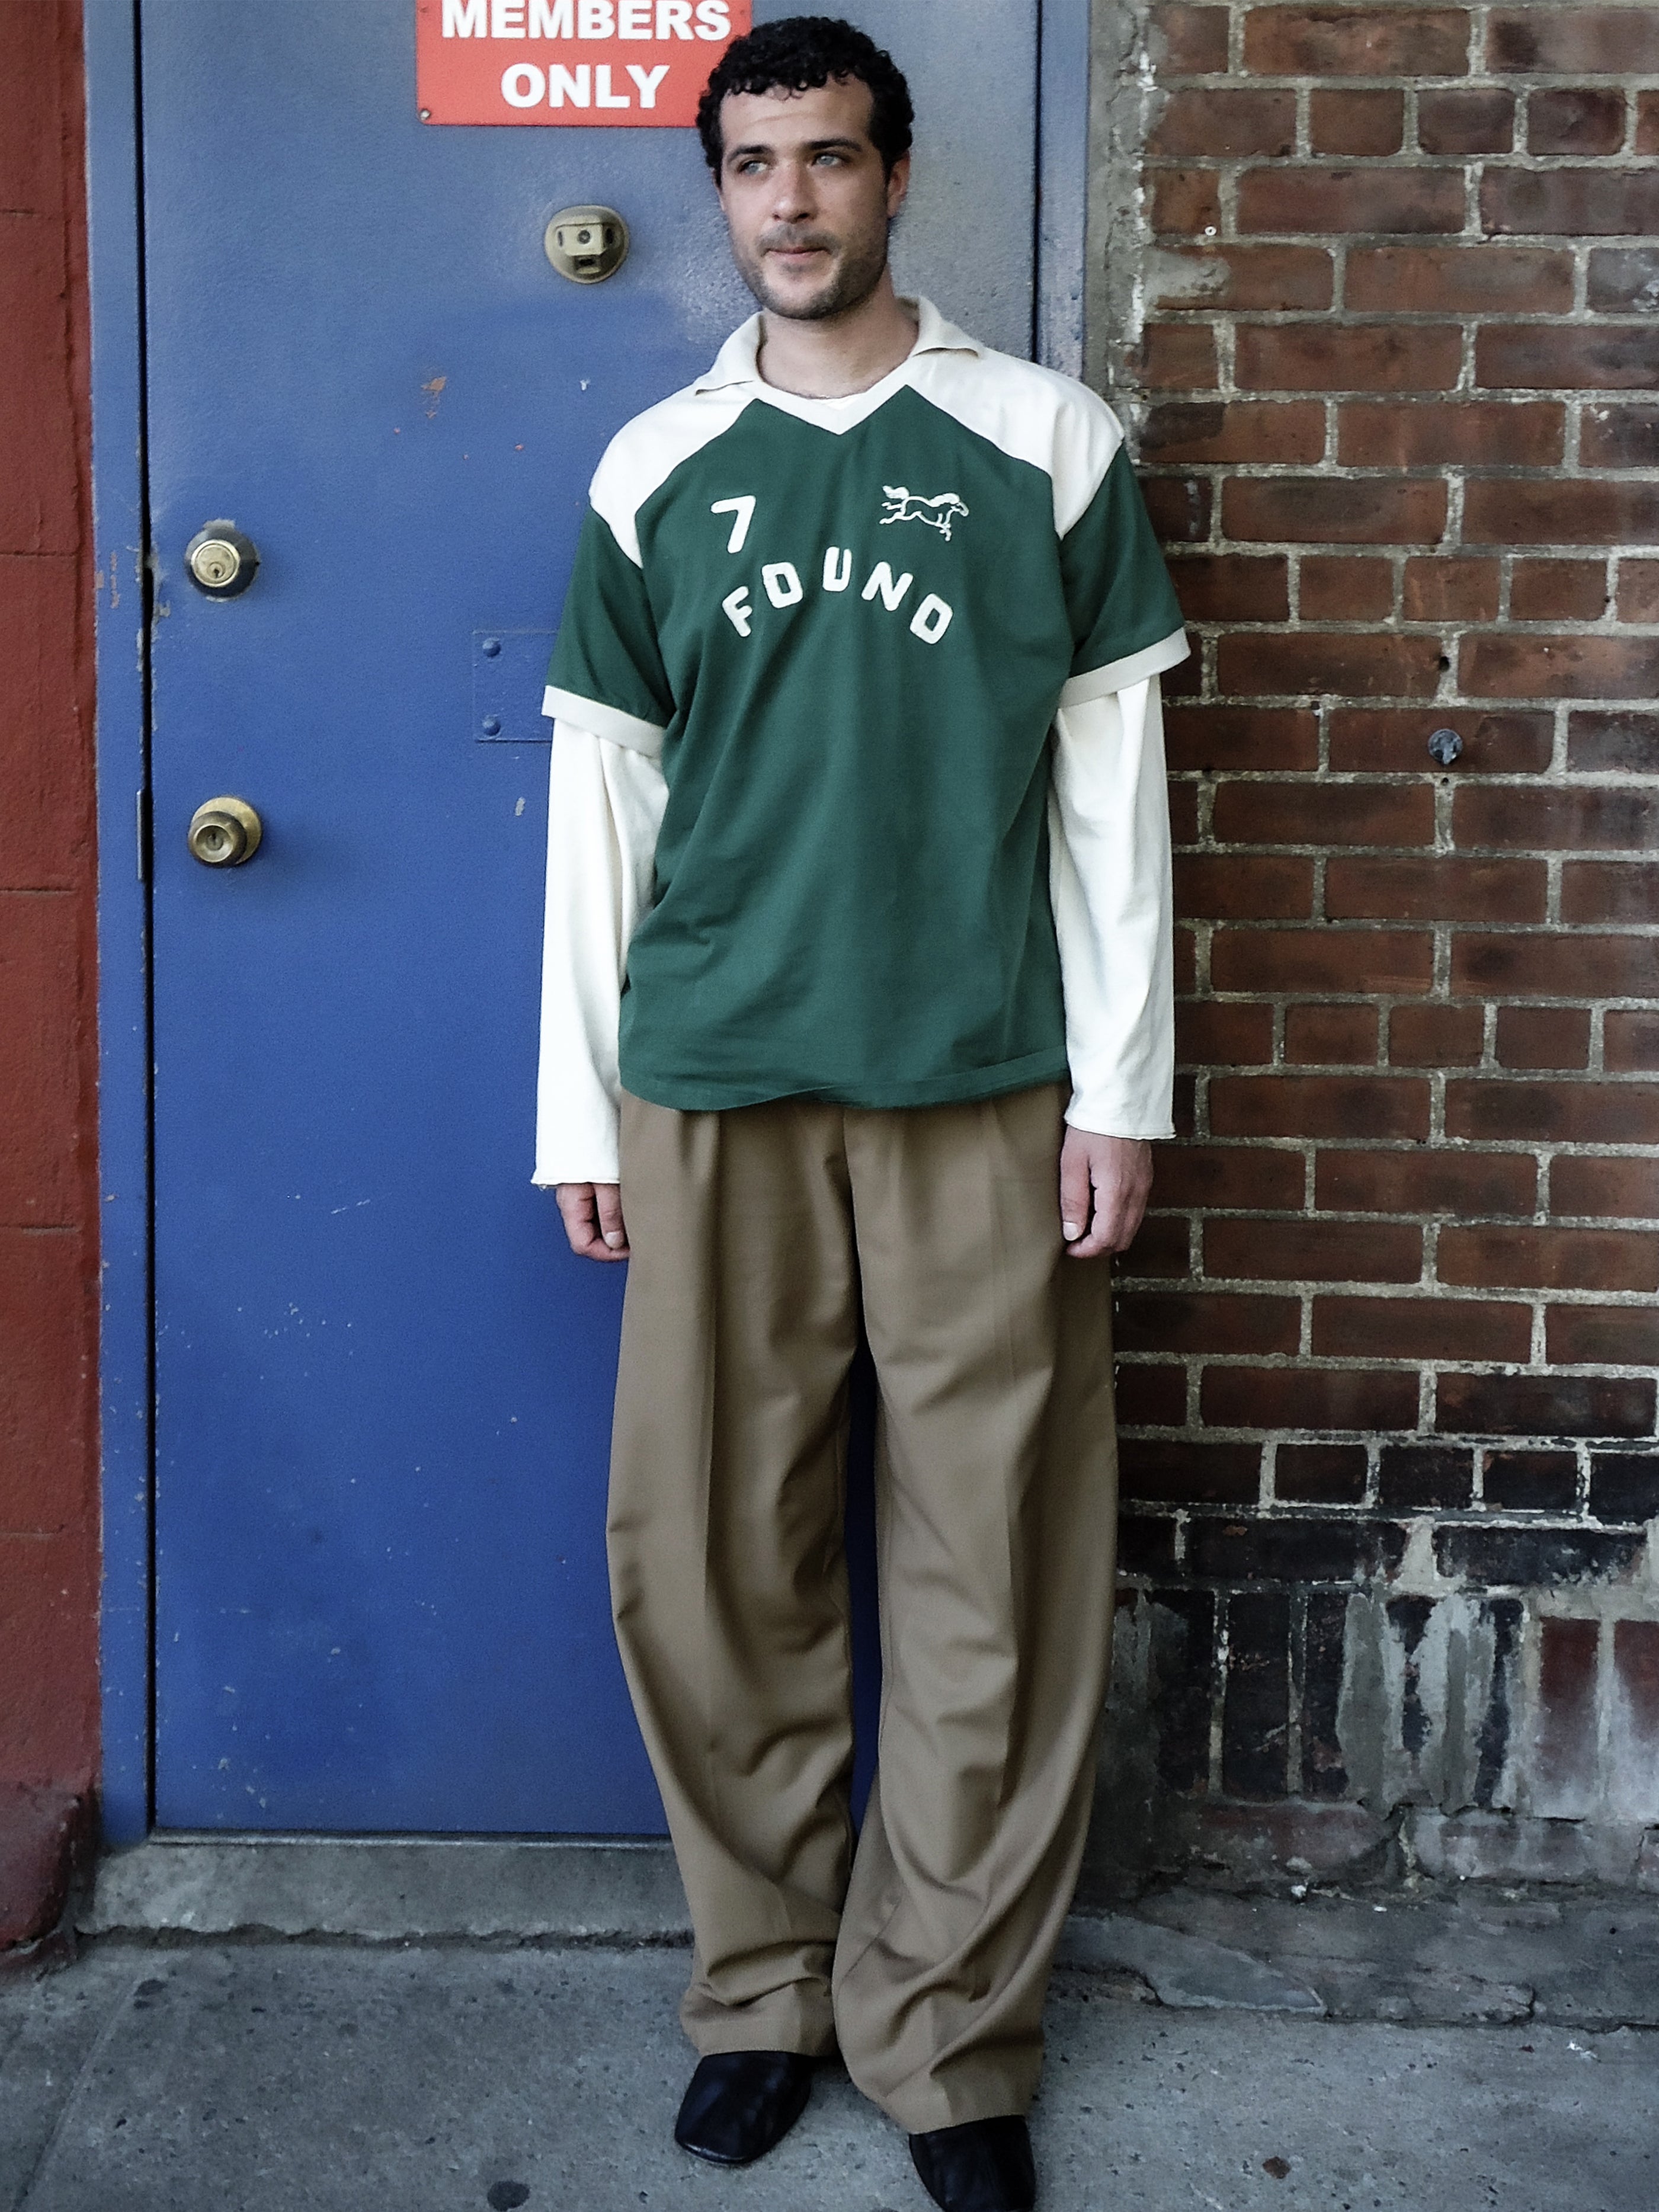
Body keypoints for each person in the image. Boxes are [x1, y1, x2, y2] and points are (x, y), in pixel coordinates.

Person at [534, 19, 1186, 2210]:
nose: (789, 201)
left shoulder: (1044, 443)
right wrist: (581, 1122)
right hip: (709, 1083)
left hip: (981, 1086)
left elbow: (1114, 807)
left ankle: (949, 2032)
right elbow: (600, 823)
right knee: (712, 1565)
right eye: (752, 166)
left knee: (991, 1564)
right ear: (716, 192)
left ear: (900, 176)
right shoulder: (656, 471)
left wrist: (1125, 1095)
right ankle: (762, 1992)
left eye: (828, 159)